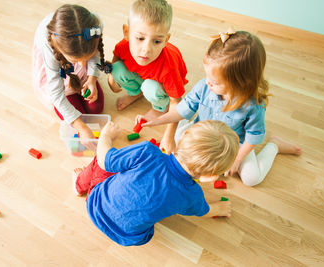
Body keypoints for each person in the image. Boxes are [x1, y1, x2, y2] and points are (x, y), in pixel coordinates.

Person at [137, 30, 302, 186]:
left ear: (241, 82)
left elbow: (254, 136)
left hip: (233, 145)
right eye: (207, 76)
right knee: (179, 140)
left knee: (252, 178)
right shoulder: (205, 86)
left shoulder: (253, 105)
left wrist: (237, 159)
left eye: (214, 82)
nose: (207, 82)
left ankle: (275, 146)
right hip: (204, 134)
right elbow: (182, 110)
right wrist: (157, 120)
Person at [72, 120, 239, 246]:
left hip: (95, 205)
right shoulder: (193, 195)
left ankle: (78, 185)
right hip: (130, 236)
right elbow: (203, 211)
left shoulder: (147, 151)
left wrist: (105, 136)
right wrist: (219, 209)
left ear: (181, 139)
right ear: (210, 177)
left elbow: (105, 161)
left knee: (99, 161)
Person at [107, 0, 188, 154]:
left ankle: (158, 108)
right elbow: (115, 62)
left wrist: (169, 136)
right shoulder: (122, 46)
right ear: (126, 32)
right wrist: (112, 80)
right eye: (140, 38)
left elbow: (177, 102)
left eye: (157, 41)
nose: (146, 50)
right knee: (116, 69)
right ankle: (136, 93)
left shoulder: (168, 67)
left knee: (150, 87)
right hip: (142, 77)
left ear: (166, 40)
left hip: (159, 85)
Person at [32, 4, 111, 146]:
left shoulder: (94, 28)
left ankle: (80, 81)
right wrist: (81, 128)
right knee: (78, 118)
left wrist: (92, 79)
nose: (81, 65)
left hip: (74, 60)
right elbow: (56, 93)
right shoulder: (49, 47)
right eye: (76, 61)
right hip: (59, 72)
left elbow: (96, 51)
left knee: (95, 109)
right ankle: (71, 90)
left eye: (85, 58)